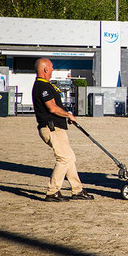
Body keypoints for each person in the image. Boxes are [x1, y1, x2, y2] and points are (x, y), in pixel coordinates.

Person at [32, 58, 94, 202]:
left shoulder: (46, 85)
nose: (53, 70)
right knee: (64, 158)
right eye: (52, 67)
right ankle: (52, 192)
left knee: (70, 158)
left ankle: (77, 190)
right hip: (51, 129)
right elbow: (52, 108)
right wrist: (68, 115)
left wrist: (66, 118)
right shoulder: (42, 86)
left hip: (57, 128)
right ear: (45, 69)